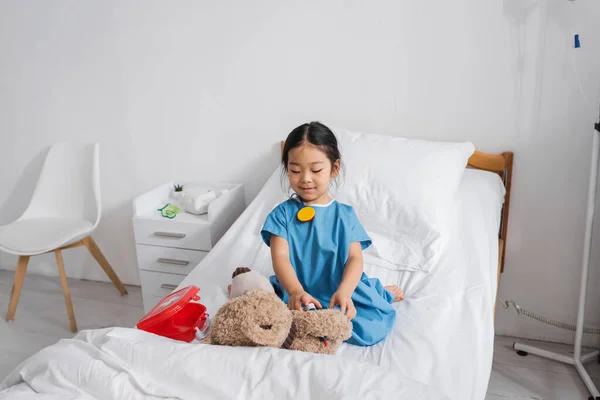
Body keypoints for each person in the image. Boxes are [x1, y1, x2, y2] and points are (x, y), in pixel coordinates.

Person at [260, 121, 403, 346]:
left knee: (369, 326)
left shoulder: (344, 215)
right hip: (299, 288)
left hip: (339, 288)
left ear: (334, 169)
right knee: (272, 317)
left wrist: (345, 292)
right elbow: (280, 258)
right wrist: (296, 291)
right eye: (295, 170)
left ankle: (383, 294)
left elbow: (355, 258)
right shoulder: (282, 214)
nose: (305, 178)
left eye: (316, 170)